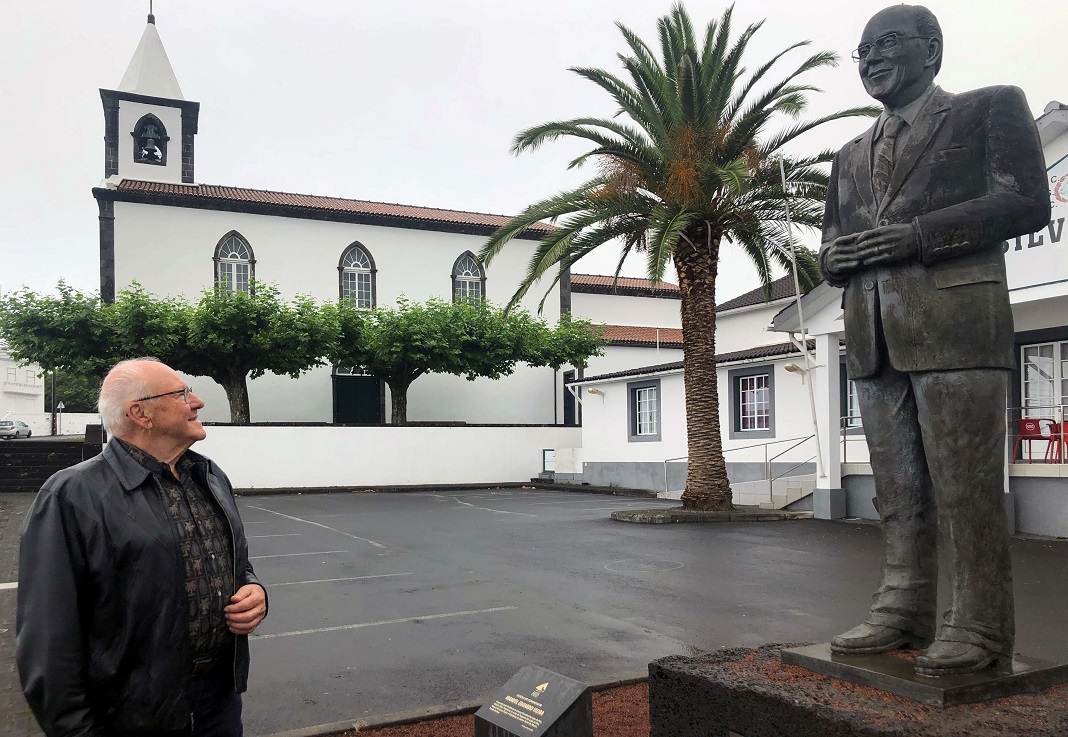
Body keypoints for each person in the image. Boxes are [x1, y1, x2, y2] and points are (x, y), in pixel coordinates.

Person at [820, 5, 1049, 676]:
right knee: (899, 490)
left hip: (954, 325)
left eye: (886, 45)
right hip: (873, 333)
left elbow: (1025, 201)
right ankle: (901, 606)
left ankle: (978, 625)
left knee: (966, 486)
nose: (870, 59)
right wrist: (834, 259)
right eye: (861, 52)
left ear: (932, 49)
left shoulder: (989, 109)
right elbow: (831, 243)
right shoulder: (849, 154)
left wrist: (920, 235)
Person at [16, 358, 267, 736]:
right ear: (140, 413)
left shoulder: (210, 476)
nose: (197, 401)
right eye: (182, 393)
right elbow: (48, 639)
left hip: (219, 700)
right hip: (131, 714)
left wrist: (254, 590)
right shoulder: (71, 495)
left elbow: (239, 565)